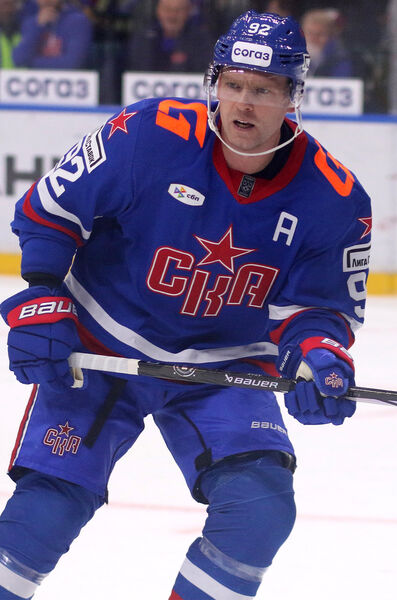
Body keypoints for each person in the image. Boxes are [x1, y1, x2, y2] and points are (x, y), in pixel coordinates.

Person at [0, 9, 371, 600]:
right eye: (233, 84)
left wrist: (318, 355)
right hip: (102, 346)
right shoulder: (150, 134)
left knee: (259, 513)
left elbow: (317, 310)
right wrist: (42, 294)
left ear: (292, 96)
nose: (243, 103)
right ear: (214, 83)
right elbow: (52, 212)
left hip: (225, 366)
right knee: (45, 513)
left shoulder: (334, 197)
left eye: (263, 90)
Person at [127, 0, 213, 72]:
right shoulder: (144, 39)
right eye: (167, 9)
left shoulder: (201, 41)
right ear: (158, 11)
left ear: (188, 12)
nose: (172, 15)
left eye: (178, 10)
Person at [12, 0, 92, 69]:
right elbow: (18, 59)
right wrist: (38, 27)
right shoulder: (30, 23)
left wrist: (30, 63)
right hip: (35, 80)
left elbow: (73, 63)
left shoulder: (78, 21)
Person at [300, 8, 354, 77]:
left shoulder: (340, 59)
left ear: (331, 36)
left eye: (320, 34)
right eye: (309, 33)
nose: (313, 38)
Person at [0, 0, 20, 69]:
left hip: (22, 74)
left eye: (10, 5)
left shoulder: (24, 29)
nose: (7, 10)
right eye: (4, 4)